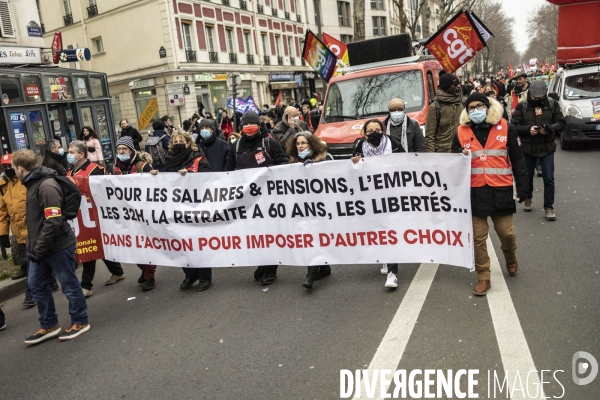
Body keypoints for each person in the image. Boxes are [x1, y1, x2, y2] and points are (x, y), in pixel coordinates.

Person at [452, 93, 529, 296]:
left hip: (500, 190)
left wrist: (524, 189)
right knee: (478, 238)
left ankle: (510, 256)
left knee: (506, 233)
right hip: (474, 192)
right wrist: (460, 155)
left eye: (479, 106)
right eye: (471, 108)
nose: (476, 110)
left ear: (487, 107)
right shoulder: (460, 131)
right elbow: (452, 163)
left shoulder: (505, 126)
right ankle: (483, 276)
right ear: (467, 111)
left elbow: (518, 159)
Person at [12, 149, 90, 344]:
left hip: (57, 246)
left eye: (13, 168)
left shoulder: (46, 185)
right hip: (39, 248)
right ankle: (49, 324)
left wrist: (38, 249)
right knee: (36, 285)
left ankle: (80, 321)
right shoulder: (32, 183)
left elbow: (53, 220)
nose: (12, 171)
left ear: (20, 168)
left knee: (69, 285)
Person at [225, 111, 289, 285]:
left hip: (268, 198)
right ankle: (262, 262)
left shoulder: (269, 143)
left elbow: (284, 163)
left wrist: (269, 174)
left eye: (251, 124)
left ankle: (270, 269)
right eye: (245, 125)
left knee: (268, 232)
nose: (248, 127)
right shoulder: (236, 146)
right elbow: (228, 171)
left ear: (259, 126)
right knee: (253, 233)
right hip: (247, 200)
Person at [153, 133, 213, 291]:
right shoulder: (168, 159)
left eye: (182, 141)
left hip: (196, 207)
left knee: (197, 244)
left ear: (189, 142)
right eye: (176, 141)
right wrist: (154, 176)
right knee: (179, 243)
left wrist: (190, 176)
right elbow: (164, 182)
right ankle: (190, 273)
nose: (179, 143)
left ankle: (204, 277)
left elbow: (209, 181)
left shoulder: (198, 158)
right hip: (176, 208)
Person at [66, 141, 127, 297]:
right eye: (69, 152)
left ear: (82, 154)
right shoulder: (70, 171)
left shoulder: (94, 170)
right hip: (79, 217)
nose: (69, 155)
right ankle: (117, 271)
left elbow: (101, 192)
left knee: (90, 247)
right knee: (97, 245)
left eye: (72, 152)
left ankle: (86, 285)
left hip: (94, 215)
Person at [350, 119, 402, 288]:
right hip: (370, 196)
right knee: (378, 228)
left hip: (391, 194)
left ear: (383, 130)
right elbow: (350, 168)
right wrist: (354, 163)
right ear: (364, 133)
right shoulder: (359, 146)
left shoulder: (392, 143)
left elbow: (406, 162)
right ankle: (386, 259)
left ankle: (393, 273)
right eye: (370, 130)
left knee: (390, 229)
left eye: (377, 129)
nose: (374, 133)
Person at [511, 80, 565, 221]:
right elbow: (514, 126)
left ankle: (549, 207)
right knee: (527, 177)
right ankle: (528, 198)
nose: (538, 99)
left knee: (549, 178)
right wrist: (528, 130)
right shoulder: (522, 106)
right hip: (528, 148)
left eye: (540, 97)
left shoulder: (552, 104)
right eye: (535, 97)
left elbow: (561, 123)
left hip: (547, 147)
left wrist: (549, 128)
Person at [284, 131, 332, 289]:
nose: (300, 146)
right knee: (308, 238)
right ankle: (324, 268)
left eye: (303, 143)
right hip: (301, 209)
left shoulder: (325, 160)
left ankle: (310, 274)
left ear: (311, 144)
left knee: (315, 238)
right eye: (297, 144)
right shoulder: (292, 163)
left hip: (321, 207)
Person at [113, 137, 157, 291]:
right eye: (119, 149)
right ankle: (145, 270)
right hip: (125, 213)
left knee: (145, 245)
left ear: (131, 150)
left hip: (143, 213)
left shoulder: (143, 166)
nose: (121, 152)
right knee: (132, 246)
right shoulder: (115, 169)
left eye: (124, 149)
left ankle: (149, 275)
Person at [425, 72, 463, 153]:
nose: (458, 86)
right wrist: (431, 157)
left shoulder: (462, 103)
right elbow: (430, 136)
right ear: (446, 87)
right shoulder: (435, 107)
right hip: (443, 154)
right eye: (455, 84)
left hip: (462, 151)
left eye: (459, 84)